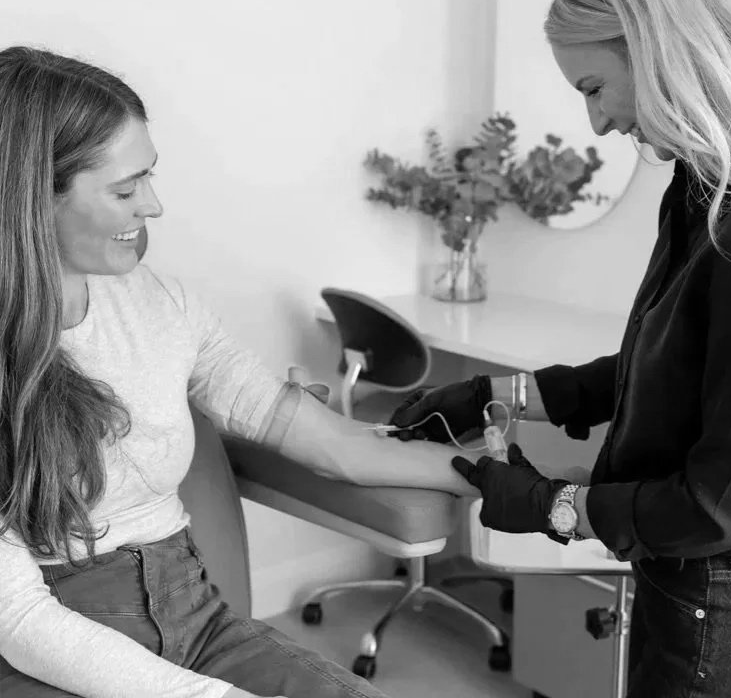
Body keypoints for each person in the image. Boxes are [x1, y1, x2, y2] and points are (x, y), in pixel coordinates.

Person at [389, 0, 731, 697]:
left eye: (594, 88)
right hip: (687, 587)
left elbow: (723, 508)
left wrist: (555, 508)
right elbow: (673, 365)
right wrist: (503, 394)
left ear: (658, 49)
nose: (599, 122)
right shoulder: (704, 190)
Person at [0, 46, 479, 698]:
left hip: (197, 618)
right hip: (52, 647)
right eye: (124, 188)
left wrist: (488, 474)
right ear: (32, 198)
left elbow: (329, 442)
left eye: (150, 175)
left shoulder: (160, 304)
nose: (154, 205)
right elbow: (20, 618)